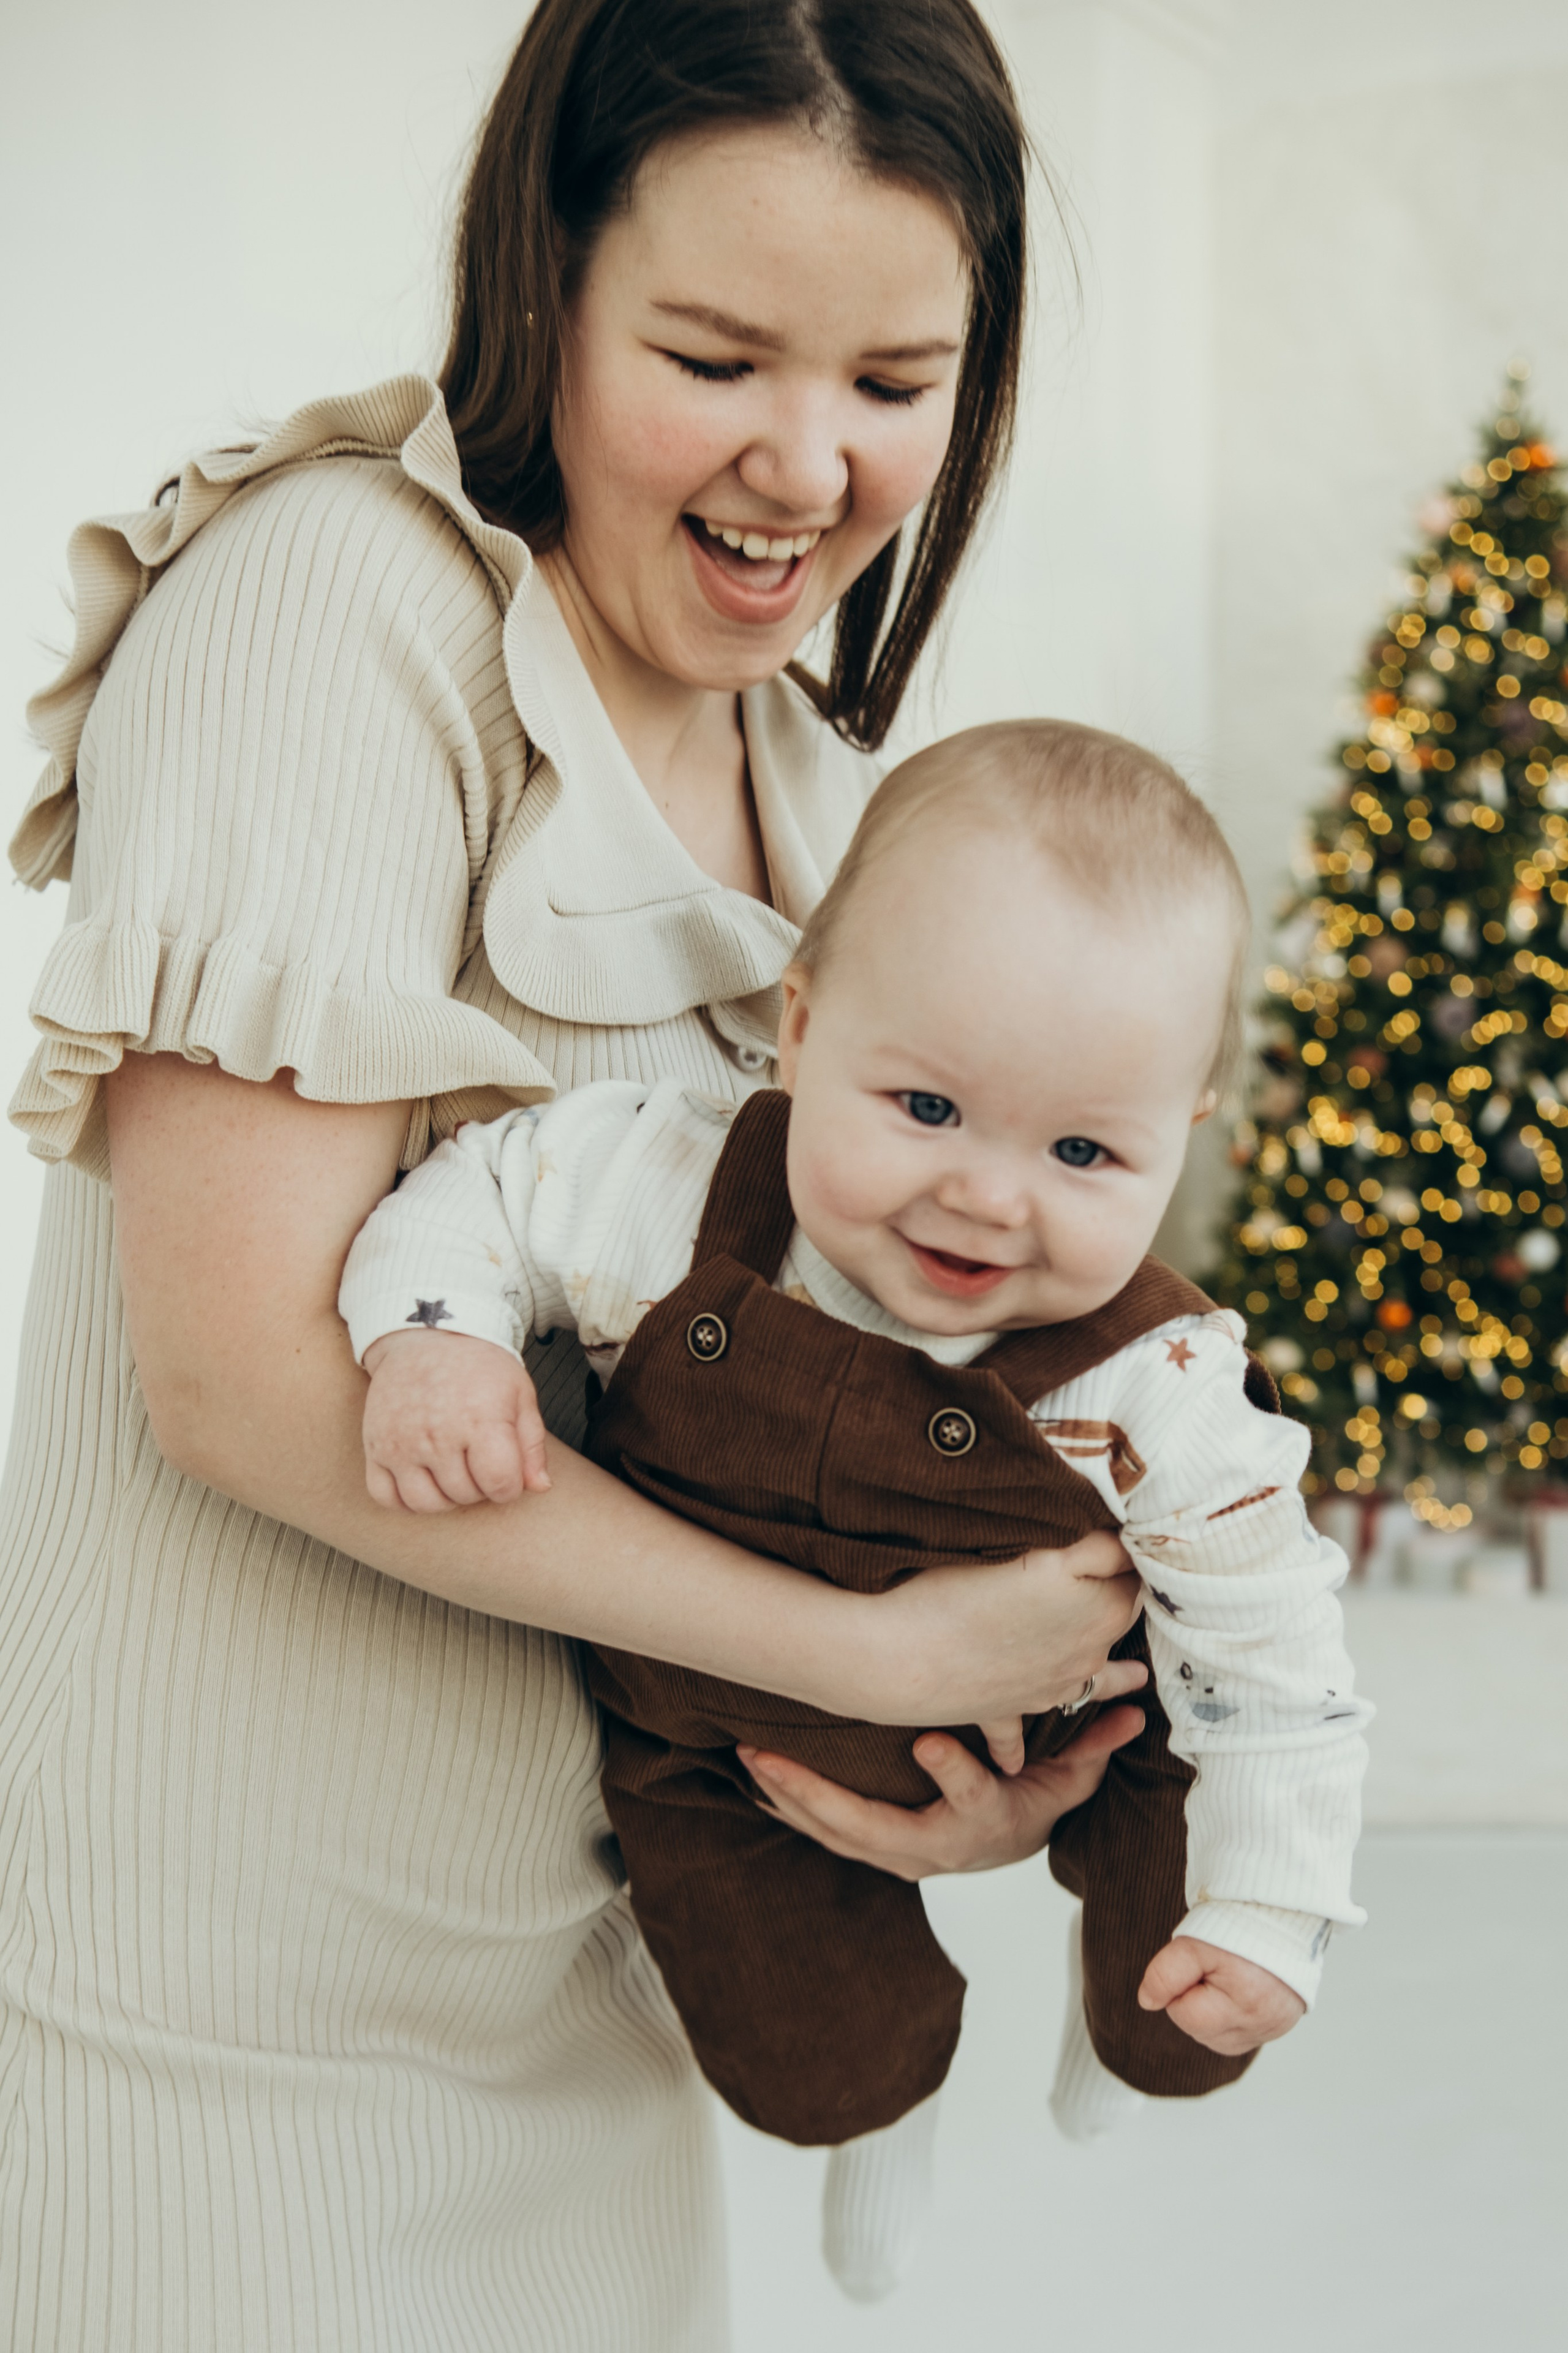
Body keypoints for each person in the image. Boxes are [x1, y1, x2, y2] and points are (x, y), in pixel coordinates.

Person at [0, 6, 1153, 2346]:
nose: (807, 467)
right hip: (203, 2034)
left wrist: (941, 1748)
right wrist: (864, 1645)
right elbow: (235, 1381)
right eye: (714, 354)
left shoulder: (820, 790)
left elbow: (766, 1425)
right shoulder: (335, 614)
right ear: (544, 275)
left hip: (590, 2011)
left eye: (897, 380)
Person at [342, 721, 1372, 2301]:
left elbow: (1280, 1651)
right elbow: (488, 1192)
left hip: (1090, 1718)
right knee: (797, 2048)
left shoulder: (1160, 1386)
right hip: (736, 1728)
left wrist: (1277, 1906)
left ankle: (1122, 2021)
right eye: (929, 1109)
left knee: (1197, 1991)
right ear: (803, 1030)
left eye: (1087, 1149)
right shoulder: (669, 1192)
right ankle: (884, 2112)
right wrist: (434, 1337)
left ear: (1185, 1140)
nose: (988, 1195)